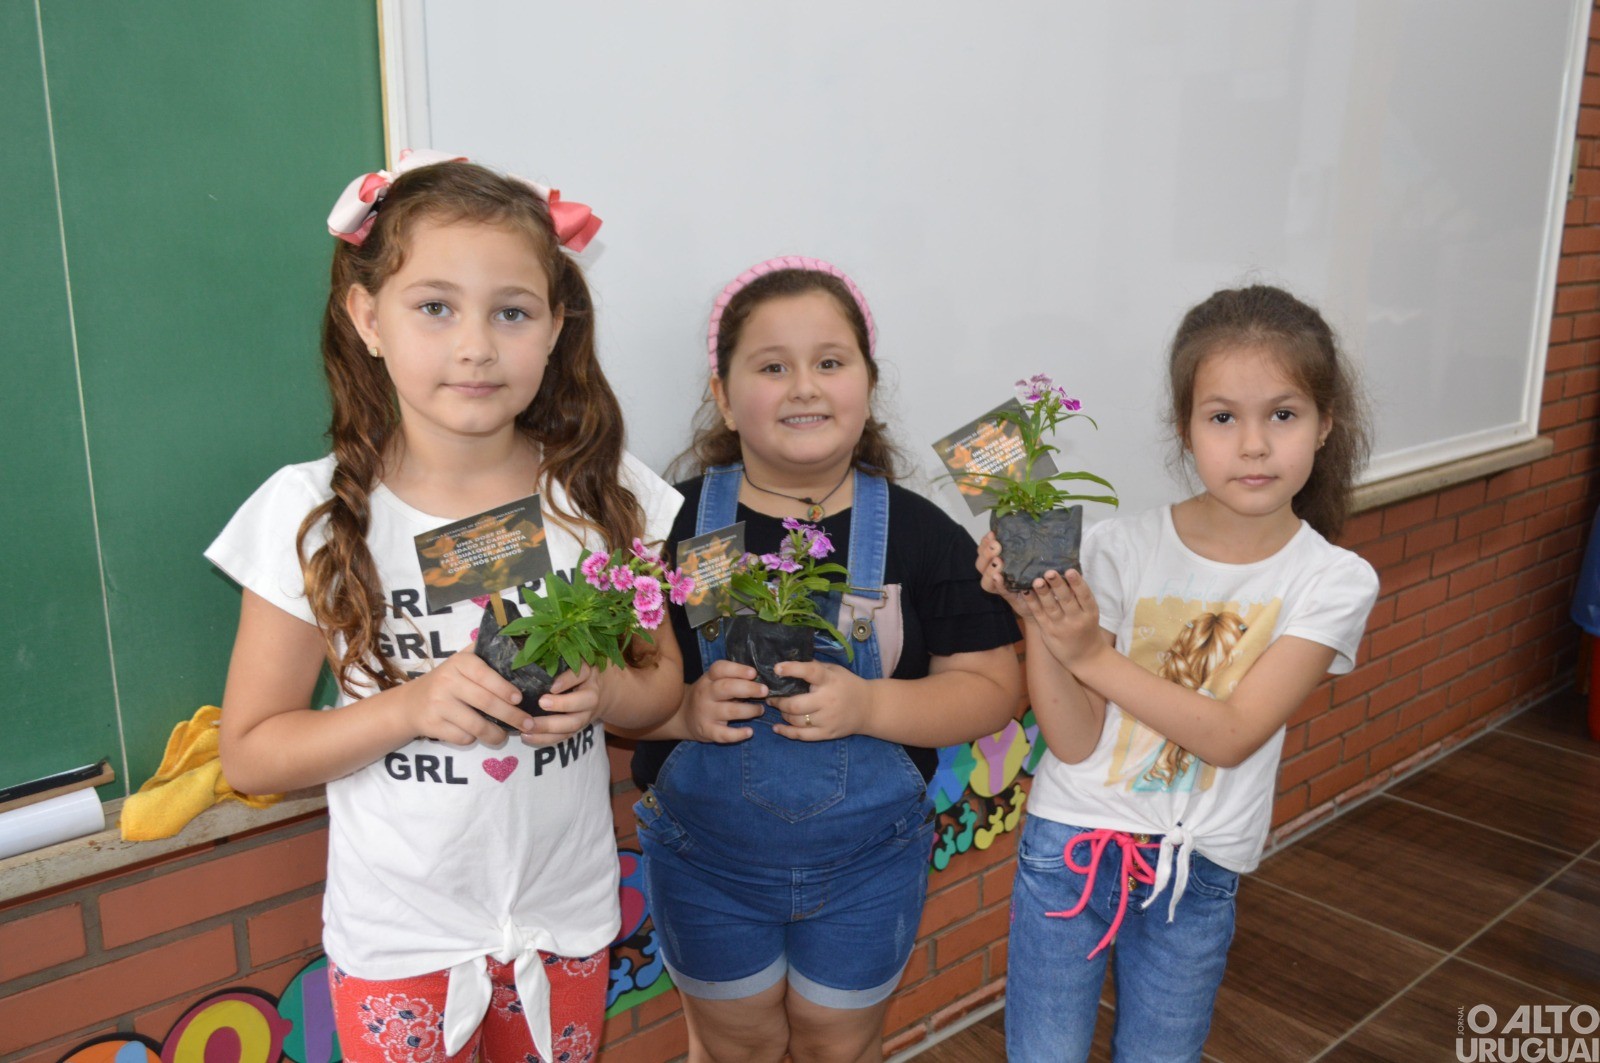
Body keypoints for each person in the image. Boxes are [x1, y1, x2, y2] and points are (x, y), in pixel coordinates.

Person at [208, 151, 683, 1062]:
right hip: (401, 943)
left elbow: (660, 689)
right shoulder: (308, 515)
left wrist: (605, 694)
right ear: (367, 318)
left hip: (563, 923)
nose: (476, 344)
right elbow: (253, 754)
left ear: (555, 328)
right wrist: (410, 707)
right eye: (435, 307)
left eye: (511, 311)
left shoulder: (607, 493)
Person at [627, 257, 1023, 1063]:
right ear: (725, 395)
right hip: (706, 863)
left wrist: (870, 706)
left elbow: (993, 688)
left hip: (870, 865)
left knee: (837, 1046)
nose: (804, 386)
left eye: (830, 362)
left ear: (868, 385)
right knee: (735, 1044)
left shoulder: (923, 533)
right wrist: (682, 712)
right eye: (772, 367)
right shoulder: (667, 527)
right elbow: (620, 689)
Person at [979, 284, 1379, 1062]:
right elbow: (1071, 739)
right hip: (1070, 851)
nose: (1254, 444)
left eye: (1283, 415)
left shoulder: (1333, 580)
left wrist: (1092, 651)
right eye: (1223, 417)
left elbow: (1230, 736)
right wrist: (1036, 616)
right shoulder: (1117, 547)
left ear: (1327, 424)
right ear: (1186, 429)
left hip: (1195, 868)